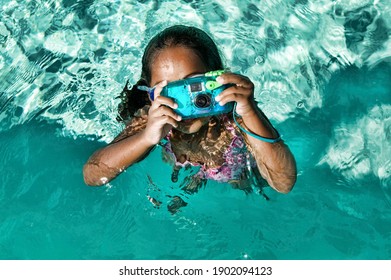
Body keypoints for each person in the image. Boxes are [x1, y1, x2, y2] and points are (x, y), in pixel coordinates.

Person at [83, 25, 297, 209]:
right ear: (150, 92)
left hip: (234, 171)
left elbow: (283, 183)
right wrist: (146, 138)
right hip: (186, 167)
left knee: (244, 185)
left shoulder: (236, 115)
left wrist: (249, 110)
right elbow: (92, 175)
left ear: (217, 77)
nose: (183, 104)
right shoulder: (152, 117)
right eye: (169, 91)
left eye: (194, 85)